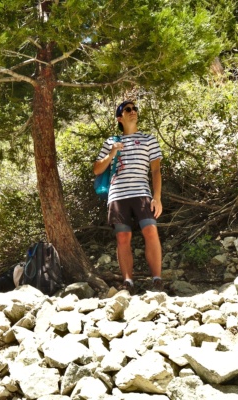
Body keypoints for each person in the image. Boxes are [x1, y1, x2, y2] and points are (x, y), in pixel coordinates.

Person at [93, 101, 163, 294]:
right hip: (117, 195)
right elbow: (97, 169)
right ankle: (128, 282)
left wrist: (157, 197)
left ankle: (157, 279)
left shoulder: (149, 140)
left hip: (142, 192)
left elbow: (156, 170)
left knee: (150, 231)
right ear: (119, 118)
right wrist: (112, 152)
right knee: (123, 236)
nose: (133, 112)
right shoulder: (111, 141)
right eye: (128, 110)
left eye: (135, 109)